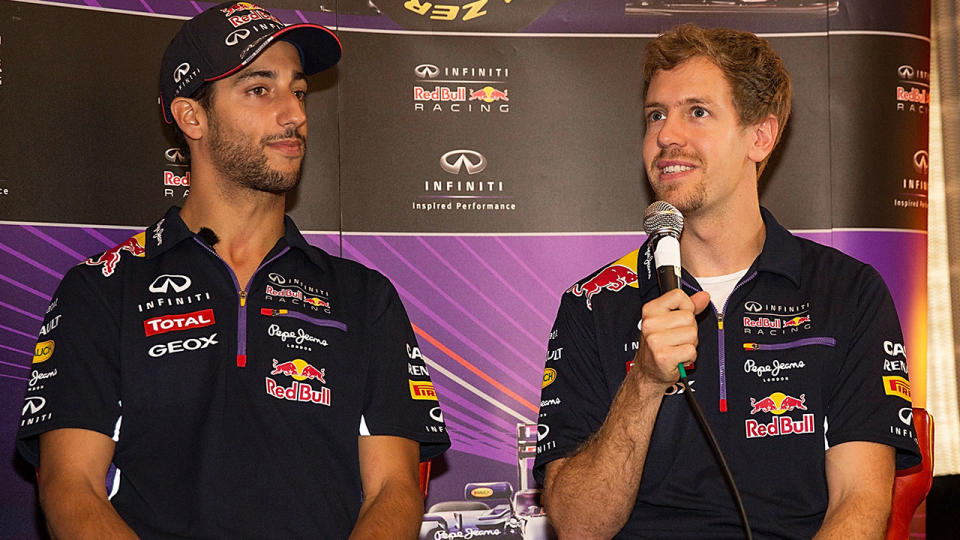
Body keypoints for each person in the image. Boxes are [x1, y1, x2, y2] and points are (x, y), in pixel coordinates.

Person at [16, 3, 449, 538]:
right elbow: (70, 487)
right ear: (191, 117)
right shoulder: (103, 290)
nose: (293, 112)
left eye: (298, 90)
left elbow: (395, 490)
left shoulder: (363, 297)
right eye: (259, 89)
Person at [534, 24, 921, 539]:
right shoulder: (594, 303)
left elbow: (860, 501)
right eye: (656, 115)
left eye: (697, 112)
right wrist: (644, 383)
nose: (667, 135)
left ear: (760, 136)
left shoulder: (848, 292)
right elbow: (580, 527)